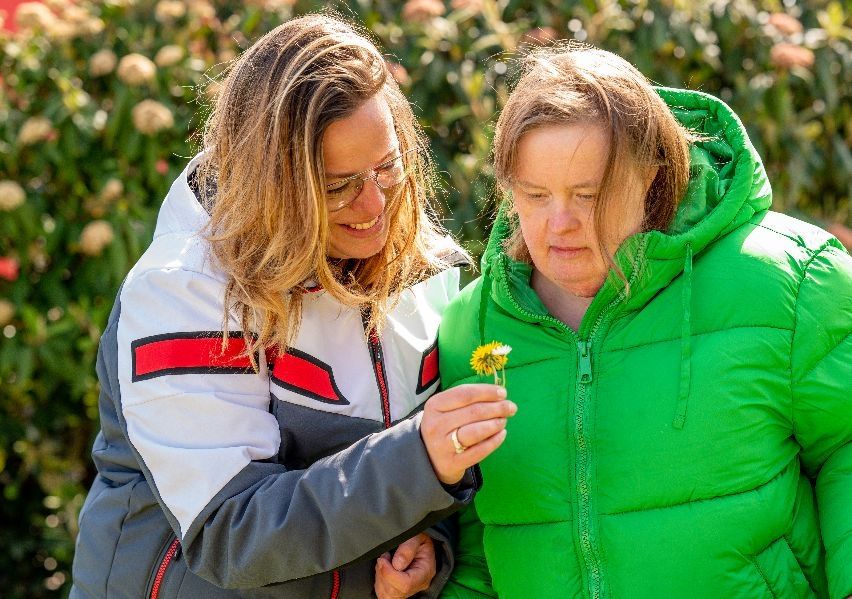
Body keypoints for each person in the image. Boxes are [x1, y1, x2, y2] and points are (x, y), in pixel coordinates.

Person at [70, 14, 517, 599]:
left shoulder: (431, 271)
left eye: (388, 166)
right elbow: (232, 533)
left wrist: (428, 548)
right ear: (269, 180)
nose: (375, 203)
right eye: (336, 185)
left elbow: (410, 488)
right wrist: (418, 461)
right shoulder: (183, 289)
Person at [438, 46, 852, 598]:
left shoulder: (790, 281)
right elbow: (476, 540)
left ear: (651, 173)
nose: (560, 223)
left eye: (589, 195)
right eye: (534, 196)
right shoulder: (472, 327)